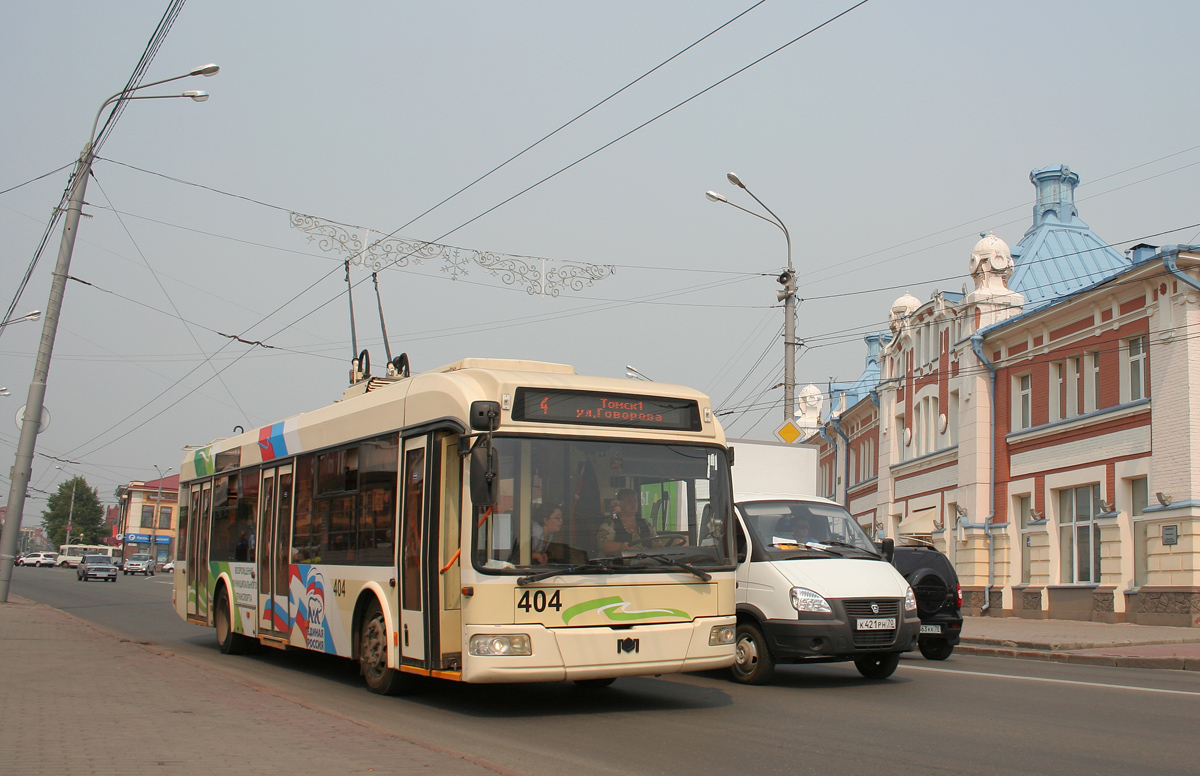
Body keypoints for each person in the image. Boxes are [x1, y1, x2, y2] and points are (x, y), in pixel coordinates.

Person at [598, 489, 660, 553]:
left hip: (648, 561)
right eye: (629, 501)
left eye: (635, 500)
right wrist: (620, 546)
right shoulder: (610, 524)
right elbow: (603, 544)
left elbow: (656, 542)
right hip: (621, 562)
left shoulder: (645, 523)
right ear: (620, 504)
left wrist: (663, 546)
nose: (633, 503)